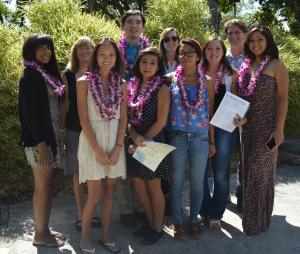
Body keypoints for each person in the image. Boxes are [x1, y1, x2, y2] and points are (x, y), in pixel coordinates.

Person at [77, 37, 127, 253]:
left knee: (109, 193)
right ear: (96, 57)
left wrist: (118, 147)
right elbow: (83, 119)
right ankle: (84, 239)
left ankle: (105, 237)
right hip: (92, 141)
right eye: (102, 54)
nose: (106, 59)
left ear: (117, 58)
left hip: (114, 140)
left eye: (111, 55)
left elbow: (124, 117)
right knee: (94, 194)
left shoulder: (122, 84)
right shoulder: (83, 82)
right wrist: (97, 150)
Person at [238, 25, 288, 235]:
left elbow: (282, 98)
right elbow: (243, 98)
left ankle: (258, 221)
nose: (255, 44)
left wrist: (279, 129)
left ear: (268, 41)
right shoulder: (246, 65)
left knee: (261, 173)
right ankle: (251, 218)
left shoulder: (276, 65)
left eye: (260, 39)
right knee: (249, 173)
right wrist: (241, 118)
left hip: (268, 130)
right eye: (251, 41)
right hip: (248, 128)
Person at [18, 34, 65, 247]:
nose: (46, 52)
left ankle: (44, 227)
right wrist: (42, 144)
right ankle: (40, 235)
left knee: (47, 186)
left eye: (49, 48)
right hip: (40, 142)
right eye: (41, 48)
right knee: (42, 187)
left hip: (50, 137)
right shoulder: (30, 75)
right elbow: (29, 114)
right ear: (31, 51)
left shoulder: (44, 74)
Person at [167, 38, 216, 240]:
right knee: (176, 181)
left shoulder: (209, 82)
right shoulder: (169, 79)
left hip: (200, 139)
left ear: (198, 56)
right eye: (182, 52)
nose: (185, 56)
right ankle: (178, 221)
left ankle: (194, 219)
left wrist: (212, 141)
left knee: (197, 183)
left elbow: (210, 113)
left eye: (189, 52)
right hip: (176, 138)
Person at [126, 47, 172, 245]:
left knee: (154, 185)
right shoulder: (132, 86)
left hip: (152, 142)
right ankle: (150, 221)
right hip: (134, 141)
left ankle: (158, 226)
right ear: (138, 64)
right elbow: (127, 118)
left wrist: (141, 141)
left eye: (152, 63)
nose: (148, 66)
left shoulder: (162, 88)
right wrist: (134, 136)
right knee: (138, 183)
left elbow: (161, 122)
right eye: (144, 62)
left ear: (158, 66)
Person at [200, 36, 245, 230]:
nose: (213, 52)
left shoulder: (231, 73)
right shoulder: (197, 72)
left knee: (220, 172)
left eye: (218, 48)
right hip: (200, 126)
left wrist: (240, 117)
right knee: (200, 172)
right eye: (209, 48)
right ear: (204, 52)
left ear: (222, 51)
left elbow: (237, 101)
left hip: (224, 128)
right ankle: (205, 209)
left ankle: (216, 213)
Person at [59, 36, 102, 232]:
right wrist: (62, 130)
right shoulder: (67, 75)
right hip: (74, 130)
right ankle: (80, 212)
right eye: (80, 49)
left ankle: (92, 212)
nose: (85, 52)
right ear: (75, 52)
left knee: (95, 173)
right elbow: (66, 104)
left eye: (88, 49)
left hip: (96, 130)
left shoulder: (100, 73)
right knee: (77, 174)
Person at [117, 9, 150, 228]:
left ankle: (139, 206)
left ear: (143, 27)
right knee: (121, 160)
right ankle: (125, 210)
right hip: (118, 107)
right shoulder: (115, 50)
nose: (134, 26)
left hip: (142, 109)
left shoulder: (148, 51)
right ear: (123, 25)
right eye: (130, 22)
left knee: (140, 160)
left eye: (138, 22)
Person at [224, 19, 248, 211]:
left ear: (245, 34)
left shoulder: (253, 57)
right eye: (230, 33)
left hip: (248, 114)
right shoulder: (222, 57)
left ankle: (242, 196)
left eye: (237, 32)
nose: (233, 36)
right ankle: (222, 195)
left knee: (244, 157)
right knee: (223, 157)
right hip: (225, 114)